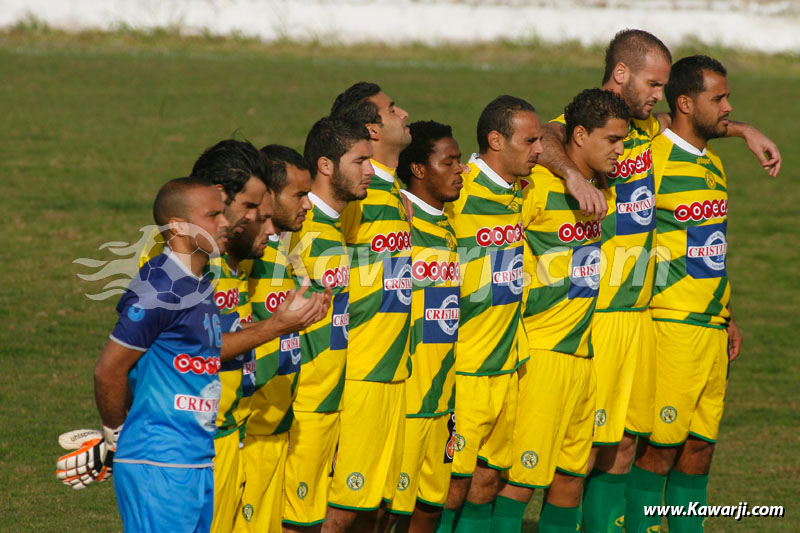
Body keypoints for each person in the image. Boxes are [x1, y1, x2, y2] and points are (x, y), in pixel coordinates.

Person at [538, 30, 780, 533]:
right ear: (622, 74)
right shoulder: (582, 126)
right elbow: (541, 134)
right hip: (599, 313)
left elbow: (687, 122)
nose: (658, 95)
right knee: (583, 451)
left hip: (639, 316)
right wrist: (573, 176)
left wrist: (744, 130)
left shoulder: (646, 131)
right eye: (653, 83)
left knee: (626, 445)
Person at [136, 140, 328, 532]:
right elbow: (195, 349)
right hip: (185, 444)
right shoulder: (177, 260)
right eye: (252, 207)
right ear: (221, 198)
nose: (260, 221)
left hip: (230, 433)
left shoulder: (227, 259)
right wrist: (278, 325)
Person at [491, 89, 629, 532]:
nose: (620, 150)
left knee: (572, 476)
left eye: (623, 140)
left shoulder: (603, 186)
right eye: (612, 140)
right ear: (581, 135)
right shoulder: (537, 187)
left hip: (583, 357)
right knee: (520, 480)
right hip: (543, 357)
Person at [60, 177, 230, 531]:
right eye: (213, 215)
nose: (225, 223)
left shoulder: (199, 285)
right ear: (178, 226)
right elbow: (109, 369)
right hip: (159, 464)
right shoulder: (159, 289)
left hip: (194, 460)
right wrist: (115, 436)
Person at [625, 55, 742, 533]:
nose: (729, 108)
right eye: (720, 99)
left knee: (701, 447)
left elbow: (710, 247)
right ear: (688, 104)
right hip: (670, 326)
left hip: (711, 328)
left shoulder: (712, 164)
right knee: (660, 447)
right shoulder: (653, 158)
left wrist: (729, 315)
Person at [438, 95, 543, 533]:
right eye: (530, 140)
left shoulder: (521, 189)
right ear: (496, 140)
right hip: (466, 369)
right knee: (448, 485)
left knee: (488, 479)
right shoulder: (459, 190)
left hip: (507, 364)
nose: (539, 149)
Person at [324, 82, 413, 532]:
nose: (404, 112)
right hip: (359, 373)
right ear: (372, 131)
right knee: (339, 511)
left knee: (377, 509)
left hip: (393, 375)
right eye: (393, 108)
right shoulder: (353, 197)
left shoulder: (392, 192)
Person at [281, 117, 373, 532]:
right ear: (325, 165)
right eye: (359, 162)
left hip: (332, 401)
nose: (369, 171)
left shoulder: (336, 230)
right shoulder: (296, 235)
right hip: (301, 408)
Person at [389, 120, 467, 533]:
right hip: (405, 395)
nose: (460, 169)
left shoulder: (450, 215)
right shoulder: (396, 220)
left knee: (435, 503)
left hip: (443, 393)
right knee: (390, 510)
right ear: (419, 169)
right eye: (449, 161)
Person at [234, 143, 315, 532]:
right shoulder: (245, 256)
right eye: (299, 195)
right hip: (247, 431)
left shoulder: (286, 249)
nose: (307, 205)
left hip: (280, 427)